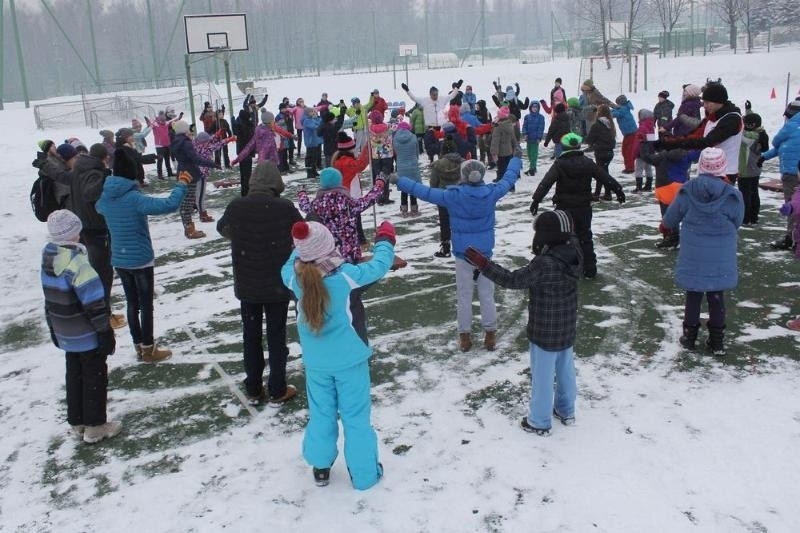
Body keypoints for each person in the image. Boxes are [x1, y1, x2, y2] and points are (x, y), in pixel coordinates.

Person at [280, 219, 397, 490]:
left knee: (321, 414)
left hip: (317, 363)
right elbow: (379, 266)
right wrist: (385, 240)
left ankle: (320, 466)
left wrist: (300, 246)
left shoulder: (294, 277)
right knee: (356, 418)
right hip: (350, 361)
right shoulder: (345, 276)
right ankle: (365, 474)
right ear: (327, 247)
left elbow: (290, 261)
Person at [463, 210, 582, 436]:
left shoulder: (545, 264)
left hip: (544, 333)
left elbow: (513, 279)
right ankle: (566, 411)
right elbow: (569, 235)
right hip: (566, 328)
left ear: (547, 237)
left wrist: (484, 265)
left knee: (543, 378)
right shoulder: (575, 253)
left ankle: (539, 421)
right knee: (566, 371)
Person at [393, 158, 521, 351]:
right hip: (485, 255)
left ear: (463, 175)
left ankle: (465, 337)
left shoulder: (453, 196)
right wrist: (515, 160)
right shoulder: (491, 193)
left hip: (464, 254)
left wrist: (399, 180)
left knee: (464, 295)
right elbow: (508, 179)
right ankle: (490, 335)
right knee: (487, 295)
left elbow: (424, 191)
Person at [217, 161, 302, 405]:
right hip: (276, 283)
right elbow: (301, 231)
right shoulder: (284, 208)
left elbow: (223, 228)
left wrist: (245, 236)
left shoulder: (237, 206)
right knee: (276, 336)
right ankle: (277, 388)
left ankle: (253, 387)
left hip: (247, 284)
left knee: (250, 335)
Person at [96, 149, 190, 362]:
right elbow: (169, 204)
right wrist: (182, 184)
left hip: (119, 258)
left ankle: (138, 345)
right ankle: (148, 347)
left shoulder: (106, 197)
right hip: (139, 259)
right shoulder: (134, 198)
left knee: (132, 303)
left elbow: (99, 208)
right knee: (145, 305)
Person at [42, 209, 120, 444]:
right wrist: (105, 331)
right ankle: (96, 425)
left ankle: (77, 421)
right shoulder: (78, 264)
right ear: (74, 234)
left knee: (74, 374)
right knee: (94, 375)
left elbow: (49, 298)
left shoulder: (49, 258)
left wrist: (53, 328)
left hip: (65, 331)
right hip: (86, 332)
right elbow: (94, 303)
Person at [662, 148, 743, 356]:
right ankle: (716, 341)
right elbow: (737, 221)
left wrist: (665, 226)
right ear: (723, 168)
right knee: (716, 295)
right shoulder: (733, 195)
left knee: (693, 295)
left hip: (694, 254)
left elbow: (671, 218)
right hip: (720, 255)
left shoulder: (687, 190)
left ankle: (689, 337)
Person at [530, 133, 626, 279]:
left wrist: (536, 200)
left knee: (562, 238)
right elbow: (604, 176)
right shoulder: (587, 162)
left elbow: (546, 182)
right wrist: (618, 190)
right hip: (583, 207)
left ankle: (563, 268)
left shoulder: (559, 164)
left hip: (564, 208)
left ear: (563, 147)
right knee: (585, 237)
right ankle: (590, 268)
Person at [657, 82, 743, 184]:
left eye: (707, 102)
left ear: (718, 102)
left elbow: (708, 141)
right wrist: (669, 142)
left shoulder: (732, 118)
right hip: (707, 171)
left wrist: (672, 144)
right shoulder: (712, 117)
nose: (704, 106)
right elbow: (695, 135)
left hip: (725, 173)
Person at [638, 141, 697, 249]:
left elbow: (647, 158)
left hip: (665, 188)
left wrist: (644, 145)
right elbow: (697, 154)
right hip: (681, 187)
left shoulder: (662, 156)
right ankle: (682, 235)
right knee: (680, 213)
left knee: (668, 215)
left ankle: (671, 237)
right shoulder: (686, 154)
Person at [760, 100, 800, 250]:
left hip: (792, 173)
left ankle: (791, 239)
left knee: (793, 206)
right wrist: (764, 156)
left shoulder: (791, 126)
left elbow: (777, 142)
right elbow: (781, 148)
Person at [170, 120, 219, 238]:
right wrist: (211, 164)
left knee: (185, 202)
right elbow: (195, 158)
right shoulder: (186, 143)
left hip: (182, 172)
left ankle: (188, 228)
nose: (189, 131)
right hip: (190, 174)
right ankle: (190, 230)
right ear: (184, 130)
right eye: (187, 129)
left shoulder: (177, 141)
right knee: (188, 202)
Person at [428, 139, 464, 258]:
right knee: (460, 221)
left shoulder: (437, 164)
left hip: (443, 196)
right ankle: (463, 246)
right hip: (459, 195)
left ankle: (446, 247)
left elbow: (433, 183)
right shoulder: (463, 163)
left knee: (444, 222)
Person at [738, 112, 770, 225]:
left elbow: (741, 133)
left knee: (745, 195)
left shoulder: (749, 137)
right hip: (755, 169)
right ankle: (754, 217)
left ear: (751, 124)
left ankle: (745, 219)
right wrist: (748, 111)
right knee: (754, 193)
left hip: (746, 169)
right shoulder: (760, 134)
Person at [233, 93, 268, 194]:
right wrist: (247, 98)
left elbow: (262, 103)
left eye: (254, 102)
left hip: (253, 129)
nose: (253, 104)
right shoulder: (247, 111)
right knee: (246, 172)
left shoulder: (256, 108)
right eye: (251, 102)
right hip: (247, 147)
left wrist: (265, 98)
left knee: (245, 171)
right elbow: (244, 104)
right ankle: (246, 189)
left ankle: (245, 189)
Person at [585, 104, 617, 201]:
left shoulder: (597, 125)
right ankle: (607, 193)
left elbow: (589, 139)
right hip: (609, 152)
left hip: (601, 152)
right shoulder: (610, 123)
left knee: (600, 174)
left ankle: (597, 194)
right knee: (604, 173)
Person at [393, 121, 421, 216]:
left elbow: (395, 152)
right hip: (412, 164)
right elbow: (417, 151)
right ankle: (414, 209)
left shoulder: (395, 138)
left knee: (404, 187)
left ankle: (404, 210)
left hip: (401, 165)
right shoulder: (413, 137)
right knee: (413, 187)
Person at [612, 95, 638, 174]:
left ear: (621, 103)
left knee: (627, 151)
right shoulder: (624, 108)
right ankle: (629, 167)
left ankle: (630, 168)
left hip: (631, 134)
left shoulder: (622, 110)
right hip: (629, 133)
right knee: (626, 151)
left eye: (617, 104)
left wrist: (605, 111)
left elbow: (613, 114)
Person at [151, 110, 181, 179]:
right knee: (160, 159)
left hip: (167, 144)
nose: (163, 117)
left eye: (163, 115)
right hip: (159, 146)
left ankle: (169, 173)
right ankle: (160, 174)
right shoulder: (156, 124)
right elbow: (150, 123)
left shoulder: (166, 123)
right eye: (160, 115)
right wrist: (153, 120)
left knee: (167, 159)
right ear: (158, 116)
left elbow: (173, 120)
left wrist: (179, 117)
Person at [521, 102, 545, 176]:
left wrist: (539, 137)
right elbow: (524, 126)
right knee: (529, 154)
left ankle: (532, 170)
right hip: (529, 138)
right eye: (533, 107)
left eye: (536, 107)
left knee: (533, 154)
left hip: (535, 139)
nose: (534, 108)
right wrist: (525, 133)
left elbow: (541, 128)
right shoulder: (527, 117)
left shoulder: (541, 117)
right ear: (530, 108)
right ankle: (533, 167)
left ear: (538, 108)